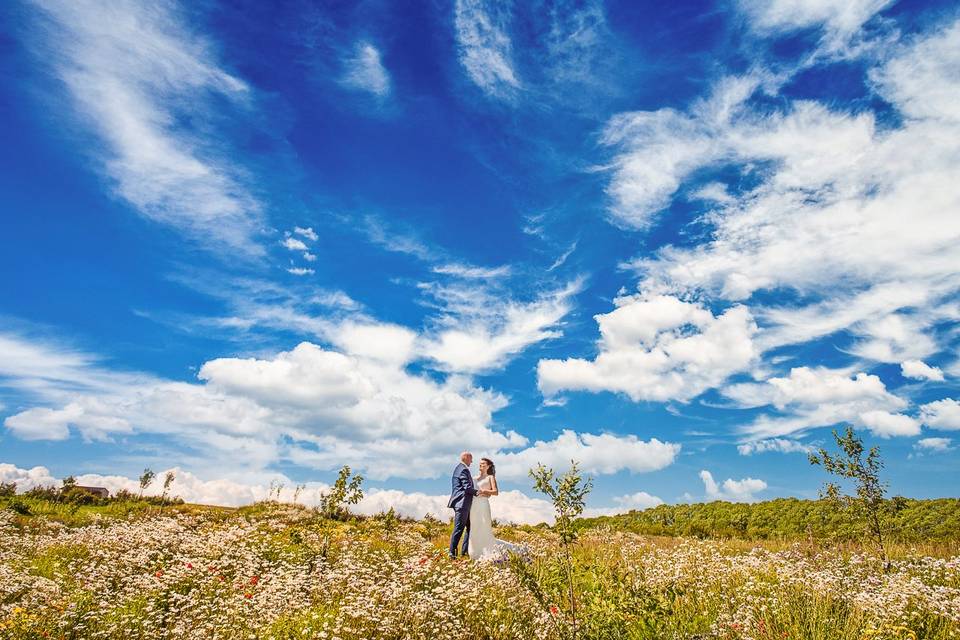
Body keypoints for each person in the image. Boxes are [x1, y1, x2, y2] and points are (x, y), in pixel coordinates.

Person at [467, 457, 524, 562]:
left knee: (484, 527)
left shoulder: (490, 477)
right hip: (474, 505)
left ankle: (487, 552)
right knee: (474, 528)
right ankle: (474, 552)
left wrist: (485, 491)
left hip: (483, 504)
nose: (481, 465)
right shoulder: (473, 478)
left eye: (483, 464)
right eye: (480, 463)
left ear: (488, 466)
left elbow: (496, 492)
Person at [448, 451, 487, 558]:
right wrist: (478, 492)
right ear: (465, 458)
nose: (472, 461)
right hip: (462, 503)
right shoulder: (463, 469)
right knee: (459, 528)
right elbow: (466, 487)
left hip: (465, 504)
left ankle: (464, 552)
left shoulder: (461, 468)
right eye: (471, 459)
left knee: (470, 527)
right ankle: (452, 553)